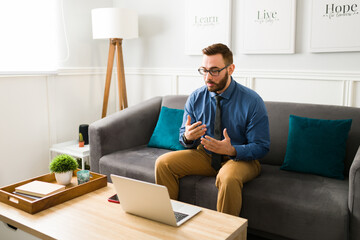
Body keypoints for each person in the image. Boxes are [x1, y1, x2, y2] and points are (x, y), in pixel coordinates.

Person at [155, 43, 270, 216]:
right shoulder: (196, 97)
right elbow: (182, 136)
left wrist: (232, 149)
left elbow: (261, 146)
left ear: (230, 69)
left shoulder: (252, 101)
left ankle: (225, 234)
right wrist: (187, 137)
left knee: (228, 178)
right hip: (205, 154)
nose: (208, 77)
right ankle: (168, 220)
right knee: (163, 164)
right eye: (204, 70)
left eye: (214, 70)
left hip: (241, 159)